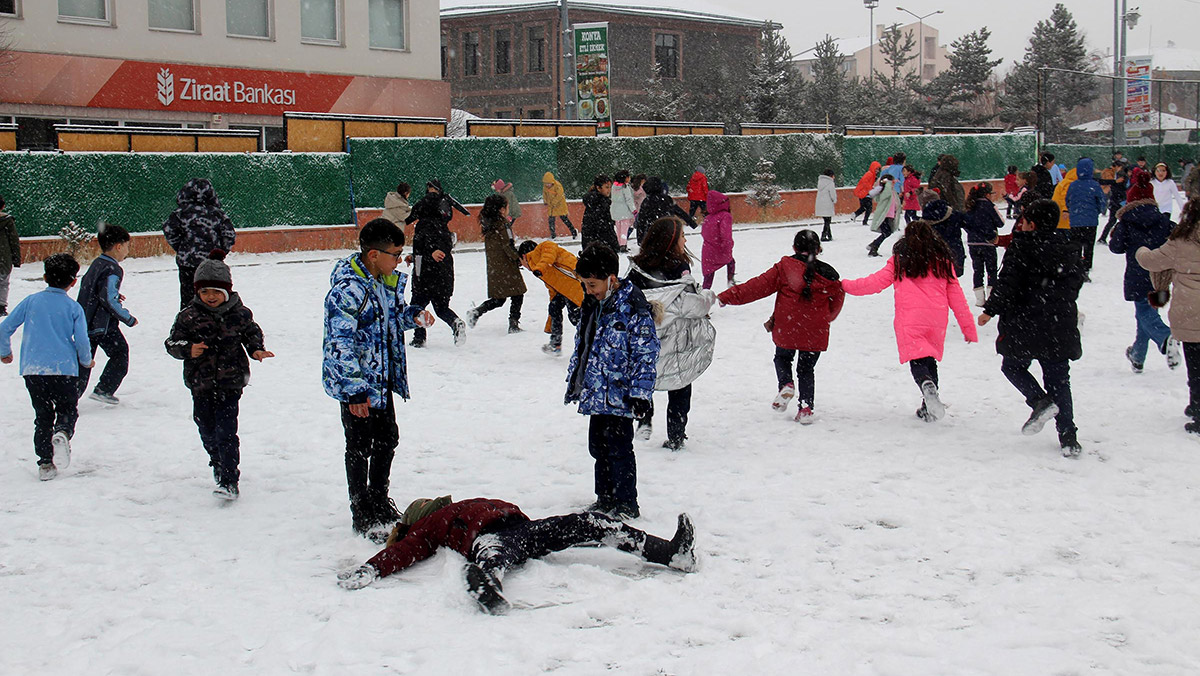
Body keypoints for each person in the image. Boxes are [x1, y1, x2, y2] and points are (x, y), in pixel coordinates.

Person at [335, 496, 697, 615]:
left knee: (590, 523)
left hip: (524, 530)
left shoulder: (458, 507)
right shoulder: (427, 527)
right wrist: (371, 568)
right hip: (491, 538)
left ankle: (668, 552)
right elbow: (405, 551)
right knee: (494, 552)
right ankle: (486, 583)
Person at [323, 219, 436, 538]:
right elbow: (339, 343)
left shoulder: (385, 282)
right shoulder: (347, 291)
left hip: (382, 378)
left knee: (387, 439)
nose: (400, 260)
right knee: (359, 446)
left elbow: (390, 320)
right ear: (373, 254)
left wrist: (413, 316)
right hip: (357, 385)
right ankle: (361, 510)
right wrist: (355, 392)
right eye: (395, 254)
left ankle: (378, 499)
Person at [978, 199, 1085, 457]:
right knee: (1059, 379)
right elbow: (1075, 285)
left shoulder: (1022, 248)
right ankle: (1069, 437)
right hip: (1059, 324)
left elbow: (1008, 284)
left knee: (1012, 366)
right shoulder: (1069, 248)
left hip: (1024, 323)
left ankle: (1040, 401)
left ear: (1031, 224)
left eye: (1024, 221)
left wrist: (990, 310)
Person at [842, 220, 978, 422]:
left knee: (917, 359)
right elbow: (957, 297)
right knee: (930, 358)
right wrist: (968, 328)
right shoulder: (943, 262)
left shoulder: (900, 261)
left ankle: (925, 384)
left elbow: (874, 283)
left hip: (911, 318)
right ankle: (928, 406)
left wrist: (844, 286)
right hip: (936, 318)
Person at [165, 250, 274, 499]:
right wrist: (187, 349)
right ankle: (216, 460)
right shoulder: (188, 315)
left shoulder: (240, 313)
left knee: (226, 430)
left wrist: (256, 350)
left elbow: (251, 333)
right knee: (205, 426)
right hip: (200, 383)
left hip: (230, 382)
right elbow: (172, 342)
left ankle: (229, 478)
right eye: (204, 292)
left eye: (216, 292)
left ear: (226, 291)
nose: (210, 297)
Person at [565, 243, 659, 519]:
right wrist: (578, 381)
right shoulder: (593, 304)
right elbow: (584, 346)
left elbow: (646, 351)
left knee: (619, 449)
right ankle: (604, 497)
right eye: (584, 285)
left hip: (621, 394)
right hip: (597, 392)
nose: (588, 290)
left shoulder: (632, 306)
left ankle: (627, 502)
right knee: (598, 446)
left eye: (592, 284)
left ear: (612, 280)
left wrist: (641, 392)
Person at [717, 229, 844, 423]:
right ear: (819, 249)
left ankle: (786, 384)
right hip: (815, 331)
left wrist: (728, 296)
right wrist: (826, 318)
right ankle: (806, 408)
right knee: (806, 368)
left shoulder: (785, 267)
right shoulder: (831, 275)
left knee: (782, 358)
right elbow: (836, 302)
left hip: (788, 327)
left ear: (794, 247)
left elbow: (757, 287)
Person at [0, 253, 93, 481]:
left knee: (42, 416)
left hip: (33, 370)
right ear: (73, 281)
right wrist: (85, 360)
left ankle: (45, 463)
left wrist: (5, 352)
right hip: (64, 369)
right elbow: (81, 340)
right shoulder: (73, 308)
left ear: (44, 277)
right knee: (67, 409)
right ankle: (62, 431)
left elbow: (5, 327)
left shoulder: (31, 301)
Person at [627, 218, 716, 451]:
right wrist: (708, 297)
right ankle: (676, 435)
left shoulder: (637, 267)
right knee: (680, 383)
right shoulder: (679, 268)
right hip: (675, 339)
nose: (685, 240)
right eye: (682, 236)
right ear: (670, 241)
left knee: (644, 378)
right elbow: (690, 304)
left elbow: (627, 296)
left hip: (647, 338)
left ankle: (643, 417)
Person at [1134, 199, 1200, 435]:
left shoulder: (1181, 241)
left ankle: (1198, 410)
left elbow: (1151, 260)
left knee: (1196, 366)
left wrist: (1141, 249)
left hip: (1190, 313)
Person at [1109, 171, 1181, 374]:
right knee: (1146, 315)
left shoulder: (1126, 222)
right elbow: (1176, 237)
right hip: (1159, 275)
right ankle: (1137, 356)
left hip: (1137, 273)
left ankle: (1166, 338)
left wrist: (1119, 232)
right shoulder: (1163, 220)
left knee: (1144, 312)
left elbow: (1115, 247)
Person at [75, 223, 137, 405]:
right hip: (103, 324)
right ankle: (104, 389)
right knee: (120, 353)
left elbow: (92, 289)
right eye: (127, 246)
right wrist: (127, 318)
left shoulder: (97, 264)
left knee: (85, 360)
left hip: (86, 321)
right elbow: (109, 299)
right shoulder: (113, 269)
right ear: (119, 246)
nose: (127, 250)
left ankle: (71, 395)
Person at [405, 179, 469, 348]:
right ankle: (456, 323)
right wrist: (414, 255)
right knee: (440, 307)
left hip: (427, 274)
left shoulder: (425, 226)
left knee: (417, 305)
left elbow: (431, 246)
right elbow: (431, 247)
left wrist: (429, 252)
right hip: (442, 274)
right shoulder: (442, 227)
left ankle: (419, 338)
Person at [162, 178, 236, 309]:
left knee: (188, 297)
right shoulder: (218, 214)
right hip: (213, 263)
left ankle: (188, 321)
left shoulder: (180, 214)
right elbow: (229, 235)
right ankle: (214, 322)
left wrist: (182, 248)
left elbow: (170, 232)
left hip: (187, 263)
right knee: (215, 295)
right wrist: (220, 253)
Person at [465, 195, 526, 333]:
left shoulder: (489, 224)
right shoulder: (503, 225)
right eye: (507, 206)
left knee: (499, 299)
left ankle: (476, 312)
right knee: (518, 293)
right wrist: (518, 258)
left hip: (495, 266)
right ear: (501, 209)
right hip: (506, 266)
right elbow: (507, 245)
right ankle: (513, 323)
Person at [517, 239, 583, 355]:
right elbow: (552, 290)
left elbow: (549, 255)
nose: (522, 265)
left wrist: (540, 268)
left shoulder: (545, 247)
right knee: (554, 306)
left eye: (520, 262)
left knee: (576, 318)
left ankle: (592, 342)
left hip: (574, 283)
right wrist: (549, 324)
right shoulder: (538, 268)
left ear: (523, 256)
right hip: (564, 288)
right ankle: (555, 344)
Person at [962, 183, 1003, 306]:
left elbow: (965, 223)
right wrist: (989, 233)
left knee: (977, 270)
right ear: (987, 194)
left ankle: (979, 299)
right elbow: (1000, 222)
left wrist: (973, 232)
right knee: (991, 270)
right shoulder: (989, 206)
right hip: (988, 243)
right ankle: (991, 296)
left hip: (973, 243)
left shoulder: (970, 205)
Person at [1065, 158, 1107, 277]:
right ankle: (1086, 269)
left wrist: (1072, 211)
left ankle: (1076, 267)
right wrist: (1097, 211)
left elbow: (1068, 200)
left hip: (1075, 221)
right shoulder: (1094, 185)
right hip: (1090, 221)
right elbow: (1101, 201)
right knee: (1089, 246)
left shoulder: (1073, 185)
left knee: (1076, 245)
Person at [919, 188, 966, 278]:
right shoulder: (954, 214)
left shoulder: (921, 224)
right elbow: (971, 225)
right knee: (952, 285)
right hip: (955, 255)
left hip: (933, 260)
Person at [634, 176, 696, 243]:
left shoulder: (646, 202)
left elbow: (642, 220)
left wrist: (640, 238)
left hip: (652, 232)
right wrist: (691, 223)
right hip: (668, 231)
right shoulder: (667, 199)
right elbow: (680, 212)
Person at [700, 189, 735, 289]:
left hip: (708, 250)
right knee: (731, 262)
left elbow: (704, 233)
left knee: (708, 276)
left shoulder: (708, 217)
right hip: (720, 249)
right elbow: (726, 235)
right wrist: (728, 247)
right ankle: (730, 282)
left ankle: (704, 294)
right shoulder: (725, 216)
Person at [581, 174, 619, 252]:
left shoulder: (595, 202)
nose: (609, 190)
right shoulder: (600, 203)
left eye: (610, 187)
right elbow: (604, 226)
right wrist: (613, 243)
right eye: (606, 187)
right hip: (600, 244)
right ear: (598, 188)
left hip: (594, 245)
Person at [866, 175, 899, 257]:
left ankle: (874, 245)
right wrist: (888, 183)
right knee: (887, 232)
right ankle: (874, 247)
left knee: (887, 232)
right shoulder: (885, 191)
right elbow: (886, 195)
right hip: (884, 215)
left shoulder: (890, 190)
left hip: (890, 215)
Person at [1098, 160, 1129, 245]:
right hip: (1118, 201)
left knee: (1113, 221)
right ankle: (1108, 238)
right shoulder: (1119, 176)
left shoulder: (1119, 176)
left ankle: (1104, 237)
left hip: (1116, 201)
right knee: (1116, 221)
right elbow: (1118, 188)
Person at [542, 171, 578, 239]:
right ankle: (553, 235)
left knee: (564, 219)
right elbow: (545, 194)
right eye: (546, 183)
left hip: (560, 206)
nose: (547, 185)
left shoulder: (558, 185)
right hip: (551, 206)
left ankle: (574, 232)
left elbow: (559, 196)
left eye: (548, 183)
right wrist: (545, 201)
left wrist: (553, 203)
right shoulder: (545, 187)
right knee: (551, 221)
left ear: (552, 181)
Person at [0, 194, 20, 317]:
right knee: (3, 282)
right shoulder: (7, 221)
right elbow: (14, 241)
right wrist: (16, 259)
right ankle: (1, 305)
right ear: (3, 206)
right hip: (3, 257)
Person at [610, 170, 637, 253]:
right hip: (624, 211)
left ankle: (618, 244)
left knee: (618, 229)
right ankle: (623, 245)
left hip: (615, 211)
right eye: (628, 177)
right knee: (624, 230)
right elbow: (629, 199)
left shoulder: (614, 186)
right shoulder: (625, 187)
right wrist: (634, 210)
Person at [853, 161, 882, 227]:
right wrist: (870, 188)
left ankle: (855, 215)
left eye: (878, 169)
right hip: (865, 193)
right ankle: (864, 221)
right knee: (868, 208)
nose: (877, 171)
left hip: (864, 193)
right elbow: (864, 182)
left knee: (864, 207)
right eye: (876, 169)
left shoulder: (871, 175)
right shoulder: (870, 174)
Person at [815, 168, 837, 241]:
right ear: (831, 176)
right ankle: (823, 235)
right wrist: (834, 200)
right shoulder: (830, 183)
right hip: (827, 204)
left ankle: (829, 235)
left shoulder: (820, 182)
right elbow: (832, 194)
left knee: (826, 220)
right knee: (827, 221)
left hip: (820, 203)